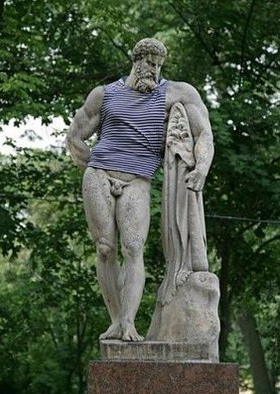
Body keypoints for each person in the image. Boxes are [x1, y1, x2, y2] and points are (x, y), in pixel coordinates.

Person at [65, 38, 214, 342]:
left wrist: (201, 167)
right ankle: (115, 320)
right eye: (149, 63)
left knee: (134, 248)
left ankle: (128, 323)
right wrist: (93, 168)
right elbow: (75, 137)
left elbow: (204, 134)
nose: (154, 70)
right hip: (100, 174)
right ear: (136, 60)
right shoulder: (104, 94)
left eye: (159, 65)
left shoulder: (177, 92)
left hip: (138, 179)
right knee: (105, 248)